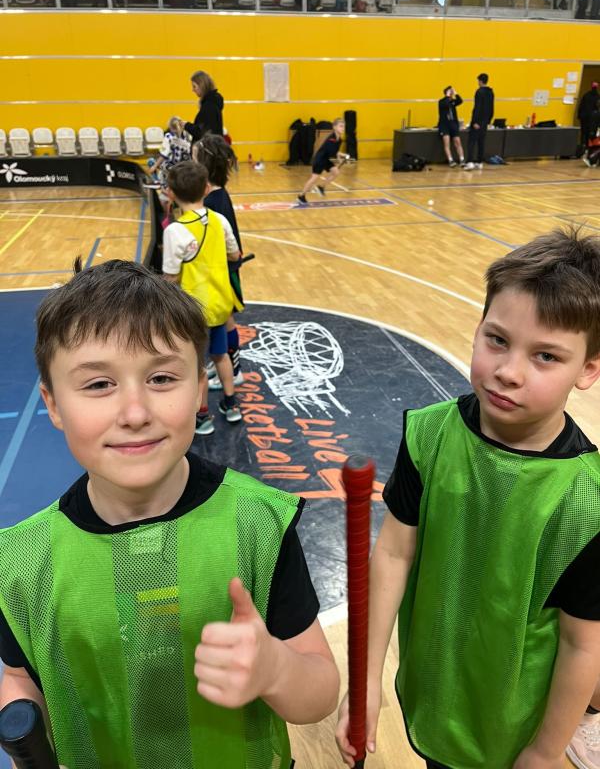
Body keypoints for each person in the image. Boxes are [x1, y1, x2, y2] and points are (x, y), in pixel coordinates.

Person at [0, 258, 340, 768]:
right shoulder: (22, 562)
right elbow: (20, 676)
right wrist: (24, 728)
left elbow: (319, 694)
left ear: (199, 389)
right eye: (99, 385)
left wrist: (276, 670)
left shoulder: (258, 524)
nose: (135, 413)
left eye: (161, 378)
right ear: (52, 403)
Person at [336, 228, 600, 769]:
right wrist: (365, 682)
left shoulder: (587, 501)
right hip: (433, 689)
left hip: (514, 723)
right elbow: (393, 554)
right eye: (497, 340)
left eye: (546, 356)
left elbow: (583, 644)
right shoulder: (429, 436)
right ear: (478, 328)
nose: (509, 371)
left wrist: (547, 750)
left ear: (588, 369)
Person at [162, 160, 242, 434]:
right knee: (221, 356)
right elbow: (235, 254)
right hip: (220, 304)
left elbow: (171, 276)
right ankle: (231, 404)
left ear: (171, 193)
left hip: (192, 311)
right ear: (207, 188)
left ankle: (203, 416)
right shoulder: (220, 220)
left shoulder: (175, 231)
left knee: (197, 367)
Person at [193, 134, 245, 390]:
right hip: (221, 269)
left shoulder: (214, 201)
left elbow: (225, 244)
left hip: (224, 270)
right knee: (223, 319)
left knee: (227, 320)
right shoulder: (215, 194)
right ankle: (224, 362)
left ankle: (234, 370)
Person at [145, 116, 192, 212]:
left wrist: (154, 166)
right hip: (184, 169)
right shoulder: (188, 136)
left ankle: (167, 217)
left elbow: (164, 155)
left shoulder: (168, 137)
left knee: (164, 195)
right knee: (183, 194)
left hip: (170, 169)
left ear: (170, 127)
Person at [297, 118, 348, 205]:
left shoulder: (339, 140)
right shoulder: (331, 139)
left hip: (326, 159)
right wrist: (342, 155)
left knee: (336, 172)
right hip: (320, 159)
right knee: (314, 178)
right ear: (334, 127)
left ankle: (321, 187)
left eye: (344, 126)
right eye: (341, 126)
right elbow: (332, 152)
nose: (343, 128)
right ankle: (301, 196)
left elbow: (335, 151)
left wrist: (339, 157)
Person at [464, 72, 495, 171]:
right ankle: (479, 162)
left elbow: (477, 107)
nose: (477, 82)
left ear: (481, 81)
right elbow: (491, 108)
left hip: (478, 121)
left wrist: (474, 121)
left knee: (471, 142)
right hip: (485, 121)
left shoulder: (479, 92)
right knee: (481, 142)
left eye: (478, 80)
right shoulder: (491, 92)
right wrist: (489, 120)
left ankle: (470, 162)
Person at [182, 71, 224, 141]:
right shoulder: (213, 103)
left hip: (208, 146)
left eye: (194, 86)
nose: (193, 90)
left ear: (202, 86)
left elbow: (202, 132)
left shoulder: (209, 106)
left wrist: (186, 125)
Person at [437, 86, 464, 168]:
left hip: (453, 124)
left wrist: (456, 93)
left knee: (457, 141)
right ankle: (450, 160)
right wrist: (447, 96)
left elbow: (460, 101)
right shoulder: (441, 101)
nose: (451, 94)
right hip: (444, 125)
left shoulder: (452, 102)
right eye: (450, 92)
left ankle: (462, 159)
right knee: (447, 142)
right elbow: (446, 104)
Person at [578, 80, 600, 151]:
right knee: (591, 133)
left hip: (584, 117)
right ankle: (589, 147)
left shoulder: (586, 95)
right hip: (593, 118)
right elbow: (597, 107)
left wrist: (579, 115)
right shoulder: (597, 96)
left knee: (583, 132)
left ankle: (582, 146)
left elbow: (581, 106)